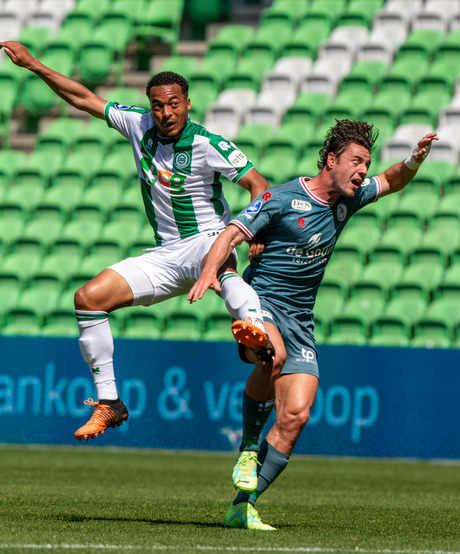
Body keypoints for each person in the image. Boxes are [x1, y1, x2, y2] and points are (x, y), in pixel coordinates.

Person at [0, 40, 275, 443]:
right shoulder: (138, 124)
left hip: (208, 238)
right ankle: (110, 402)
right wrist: (34, 65)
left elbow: (258, 185)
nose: (166, 113)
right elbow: (83, 97)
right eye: (159, 106)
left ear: (188, 104)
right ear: (150, 107)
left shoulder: (208, 144)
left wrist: (253, 229)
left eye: (174, 103)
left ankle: (256, 330)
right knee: (88, 298)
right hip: (165, 254)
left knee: (221, 268)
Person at [189, 119, 439, 530]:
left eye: (366, 163)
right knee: (272, 355)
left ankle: (241, 505)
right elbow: (232, 233)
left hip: (301, 320)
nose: (362, 171)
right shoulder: (281, 197)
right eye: (356, 162)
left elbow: (392, 181)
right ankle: (248, 446)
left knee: (296, 416)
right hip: (261, 305)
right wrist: (208, 271)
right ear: (330, 160)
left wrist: (414, 159)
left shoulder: (349, 199)